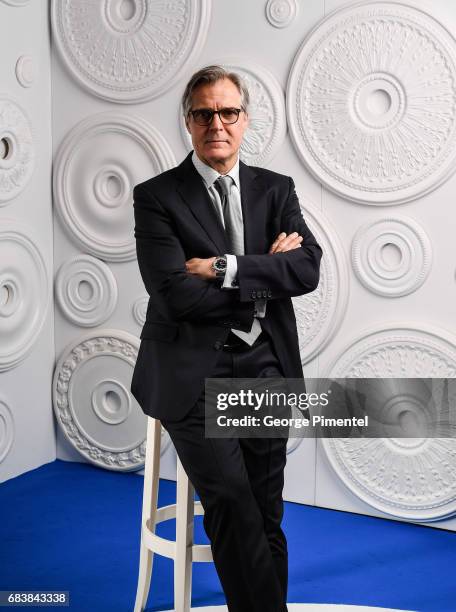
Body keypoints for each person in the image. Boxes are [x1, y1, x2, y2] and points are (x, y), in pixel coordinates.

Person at [131, 65, 322, 612]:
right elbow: (176, 295)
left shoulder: (275, 189)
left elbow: (307, 271)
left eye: (228, 112)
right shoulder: (156, 196)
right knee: (234, 503)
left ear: (245, 119)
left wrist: (225, 268)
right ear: (189, 123)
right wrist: (266, 274)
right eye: (204, 113)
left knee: (266, 509)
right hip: (192, 371)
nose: (218, 122)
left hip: (265, 365)